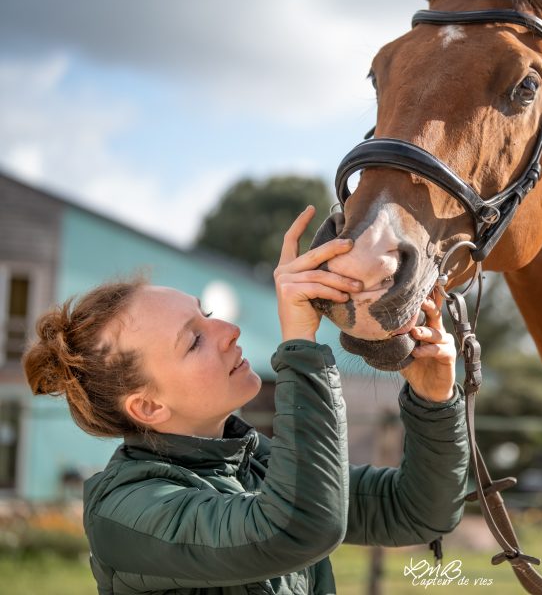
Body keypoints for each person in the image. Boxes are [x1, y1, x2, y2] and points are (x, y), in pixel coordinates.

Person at [22, 206, 469, 595]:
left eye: (208, 315)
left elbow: (416, 511)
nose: (228, 331)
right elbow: (297, 528)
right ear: (149, 407)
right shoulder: (127, 514)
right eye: (194, 340)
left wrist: (433, 399)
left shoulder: (257, 463)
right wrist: (301, 345)